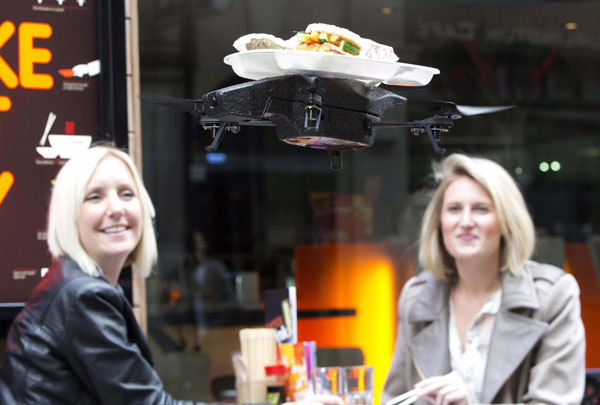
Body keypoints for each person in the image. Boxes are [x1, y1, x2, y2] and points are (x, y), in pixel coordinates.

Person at [1, 144, 202, 404]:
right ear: (69, 215)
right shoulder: (82, 295)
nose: (116, 209)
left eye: (127, 194)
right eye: (94, 197)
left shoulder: (77, 284)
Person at [381, 154, 585, 405]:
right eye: (454, 209)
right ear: (439, 222)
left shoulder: (553, 297)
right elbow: (397, 399)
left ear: (506, 222)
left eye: (481, 209)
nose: (465, 222)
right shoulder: (417, 298)